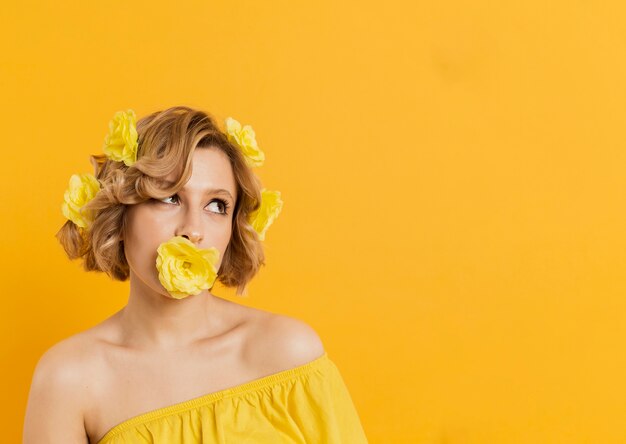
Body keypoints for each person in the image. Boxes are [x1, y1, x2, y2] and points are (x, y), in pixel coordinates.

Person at [22, 106, 368, 443]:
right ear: (120, 212)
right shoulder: (69, 379)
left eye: (217, 205)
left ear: (233, 228)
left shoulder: (288, 352)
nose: (192, 230)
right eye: (169, 197)